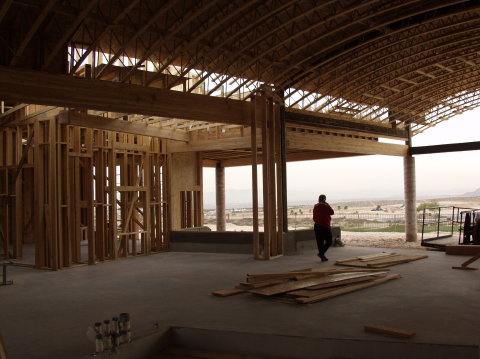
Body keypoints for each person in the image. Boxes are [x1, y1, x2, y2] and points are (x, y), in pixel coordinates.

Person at [312, 194, 334, 261]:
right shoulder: (325, 206)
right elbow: (332, 212)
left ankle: (322, 256)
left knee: (320, 242)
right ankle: (321, 254)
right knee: (329, 241)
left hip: (317, 225)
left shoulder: (315, 206)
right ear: (324, 199)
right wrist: (327, 204)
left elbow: (314, 217)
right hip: (325, 226)